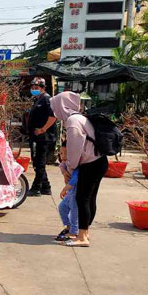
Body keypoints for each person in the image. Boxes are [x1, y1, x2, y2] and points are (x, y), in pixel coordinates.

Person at [51, 91, 108, 248]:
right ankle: (85, 232)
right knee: (89, 199)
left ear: (61, 106)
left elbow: (74, 149)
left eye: (54, 107)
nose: (54, 111)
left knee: (82, 199)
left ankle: (82, 236)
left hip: (91, 164)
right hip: (99, 161)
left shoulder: (72, 121)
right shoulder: (80, 118)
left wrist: (70, 167)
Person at [28, 77, 57, 196]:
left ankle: (36, 188)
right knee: (37, 161)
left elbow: (53, 116)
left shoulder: (47, 99)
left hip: (43, 137)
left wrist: (43, 129)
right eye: (32, 87)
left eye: (36, 87)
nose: (34, 89)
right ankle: (46, 186)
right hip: (36, 136)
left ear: (43, 88)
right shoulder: (37, 99)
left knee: (39, 162)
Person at [55, 145, 79, 242]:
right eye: (61, 153)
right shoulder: (65, 162)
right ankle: (69, 227)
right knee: (62, 207)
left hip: (76, 191)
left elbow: (74, 179)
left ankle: (74, 231)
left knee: (74, 212)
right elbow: (61, 165)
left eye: (66, 153)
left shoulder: (77, 164)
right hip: (70, 191)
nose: (63, 156)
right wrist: (64, 173)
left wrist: (64, 189)